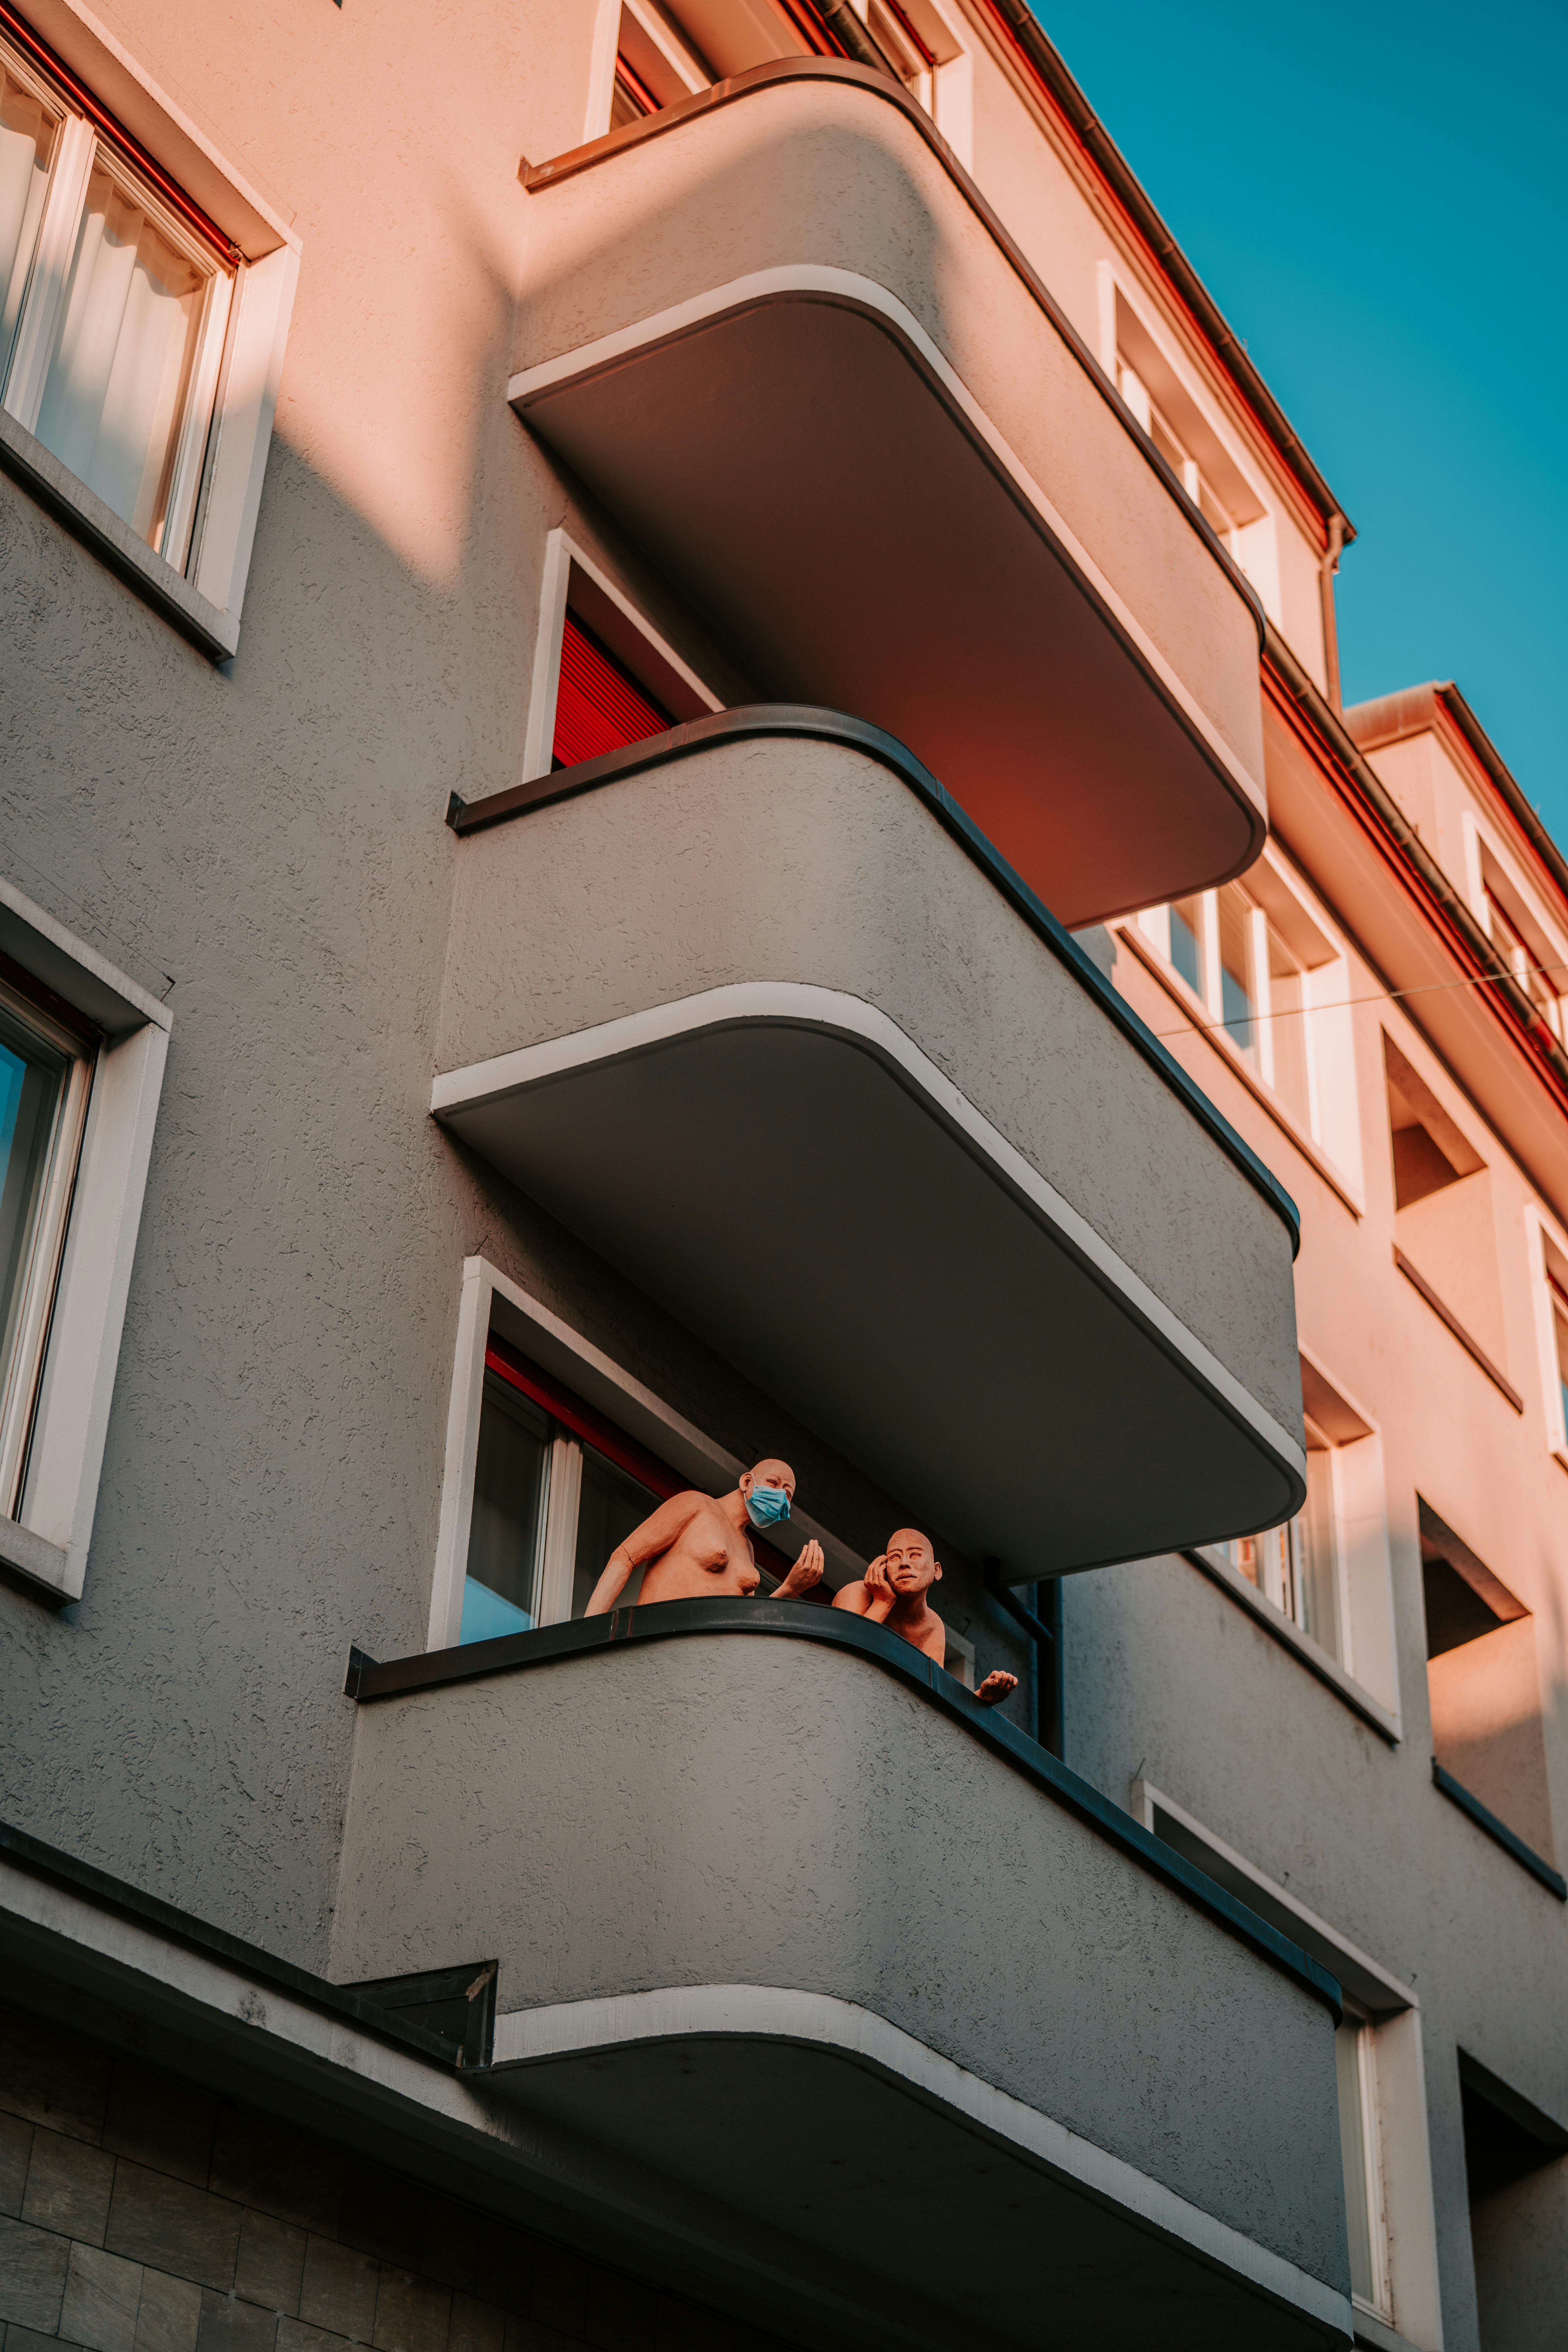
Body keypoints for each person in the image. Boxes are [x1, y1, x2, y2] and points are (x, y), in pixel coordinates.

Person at [583, 1457, 824, 1614]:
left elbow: (747, 1623)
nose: (780, 1497)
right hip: (659, 1640)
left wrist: (790, 1588)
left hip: (710, 1662)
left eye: (788, 1494)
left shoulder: (748, 1550)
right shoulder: (695, 1505)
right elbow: (625, 1557)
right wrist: (589, 1630)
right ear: (747, 1482)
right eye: (773, 1484)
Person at [833, 1526, 1018, 1705]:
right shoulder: (856, 1593)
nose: (904, 1563)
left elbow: (933, 1697)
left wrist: (981, 1697)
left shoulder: (932, 1624)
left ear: (936, 1571)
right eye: (895, 1557)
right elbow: (844, 1660)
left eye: (915, 1555)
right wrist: (883, 1603)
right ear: (884, 1567)